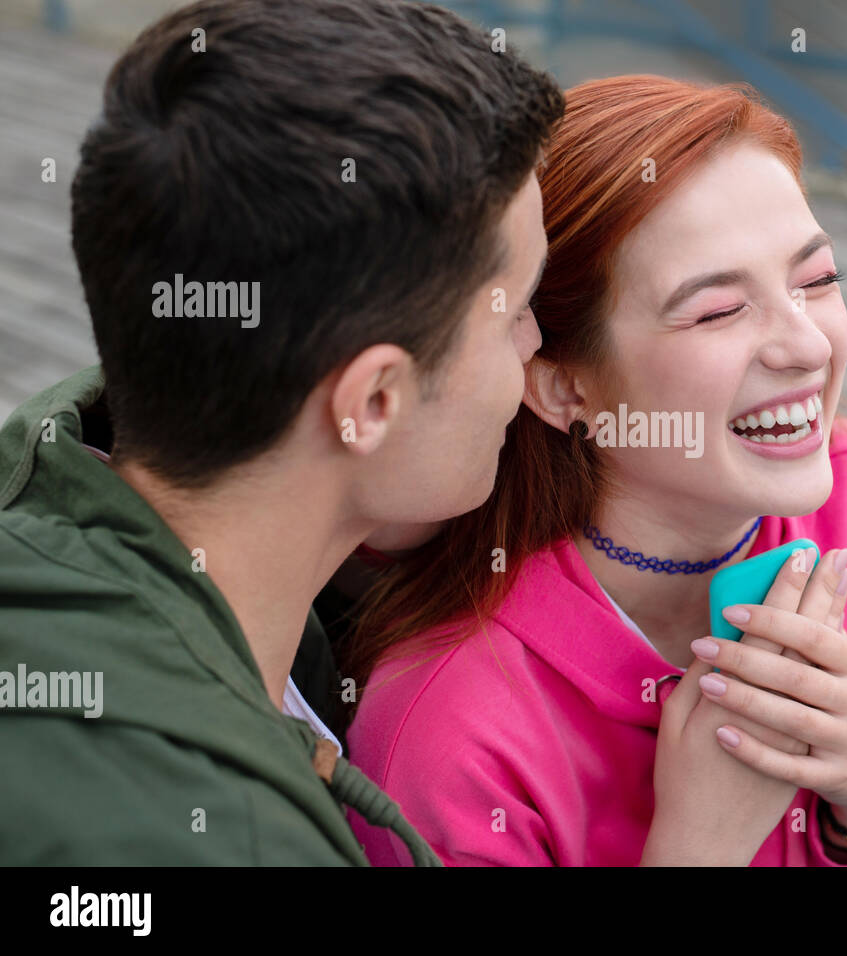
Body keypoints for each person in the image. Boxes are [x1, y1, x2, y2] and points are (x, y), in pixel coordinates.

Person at [343, 75, 847, 866]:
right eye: (718, 311)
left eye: (816, 281)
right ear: (562, 383)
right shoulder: (445, 733)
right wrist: (696, 848)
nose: (808, 346)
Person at [0, 0, 563, 865]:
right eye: (516, 311)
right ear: (372, 401)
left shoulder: (51, 510)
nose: (534, 350)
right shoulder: (213, 838)